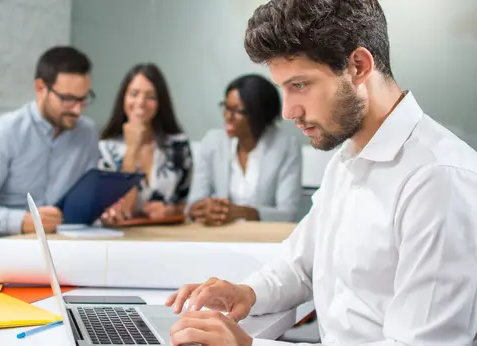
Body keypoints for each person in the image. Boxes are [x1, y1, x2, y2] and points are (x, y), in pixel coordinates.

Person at [167, 0, 477, 345]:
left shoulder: (438, 180)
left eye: (300, 85)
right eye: (282, 88)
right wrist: (247, 292)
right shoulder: (347, 155)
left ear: (359, 66)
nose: (287, 111)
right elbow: (300, 265)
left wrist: (249, 345)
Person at [0, 46, 99, 243]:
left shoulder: (87, 133)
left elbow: (84, 197)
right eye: (68, 99)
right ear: (40, 88)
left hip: (49, 248)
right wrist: (21, 221)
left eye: (83, 99)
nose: (77, 110)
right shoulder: (2, 133)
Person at [187, 74, 301, 225]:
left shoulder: (286, 147)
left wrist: (242, 212)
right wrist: (203, 209)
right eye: (226, 107)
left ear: (259, 114)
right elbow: (193, 203)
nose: (227, 116)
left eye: (237, 111)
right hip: (219, 236)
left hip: (265, 240)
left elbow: (288, 214)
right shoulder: (212, 142)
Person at [98, 63, 192, 224]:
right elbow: (125, 209)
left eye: (151, 96)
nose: (141, 102)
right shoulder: (106, 149)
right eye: (134, 94)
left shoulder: (178, 146)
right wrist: (131, 149)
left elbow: (184, 203)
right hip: (124, 238)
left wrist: (170, 210)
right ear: (124, 98)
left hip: (168, 236)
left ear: (160, 102)